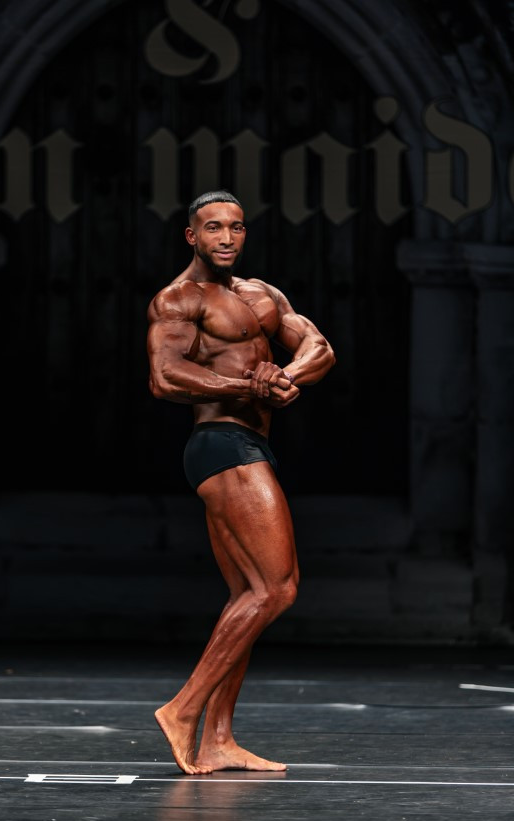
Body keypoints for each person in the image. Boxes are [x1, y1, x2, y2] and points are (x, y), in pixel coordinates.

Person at [146, 190, 335, 775]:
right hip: (221, 444)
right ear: (192, 236)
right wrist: (245, 386)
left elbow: (319, 347)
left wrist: (286, 375)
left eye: (236, 227)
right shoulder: (179, 299)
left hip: (251, 443)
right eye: (213, 228)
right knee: (276, 589)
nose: (226, 237)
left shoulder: (262, 294)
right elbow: (164, 375)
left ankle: (219, 739)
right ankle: (182, 710)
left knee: (246, 596)